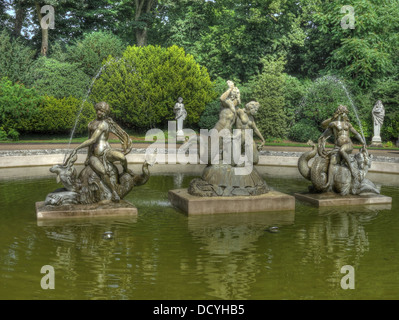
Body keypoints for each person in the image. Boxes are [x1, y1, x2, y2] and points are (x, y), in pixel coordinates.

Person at [64, 101, 133, 202]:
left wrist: (77, 148)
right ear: (96, 110)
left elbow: (93, 139)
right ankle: (114, 192)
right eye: (100, 110)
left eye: (104, 111)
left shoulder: (104, 124)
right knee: (102, 172)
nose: (101, 113)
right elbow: (90, 141)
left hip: (106, 152)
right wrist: (88, 157)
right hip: (94, 156)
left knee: (122, 157)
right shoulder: (91, 124)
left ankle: (125, 170)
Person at [318, 105, 366, 182]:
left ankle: (352, 170)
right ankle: (329, 183)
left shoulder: (348, 124)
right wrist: (332, 118)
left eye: (345, 112)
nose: (344, 114)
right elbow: (323, 125)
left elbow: (356, 133)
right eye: (342, 112)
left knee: (342, 150)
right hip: (337, 146)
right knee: (332, 162)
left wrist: (363, 142)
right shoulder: (333, 124)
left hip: (348, 144)